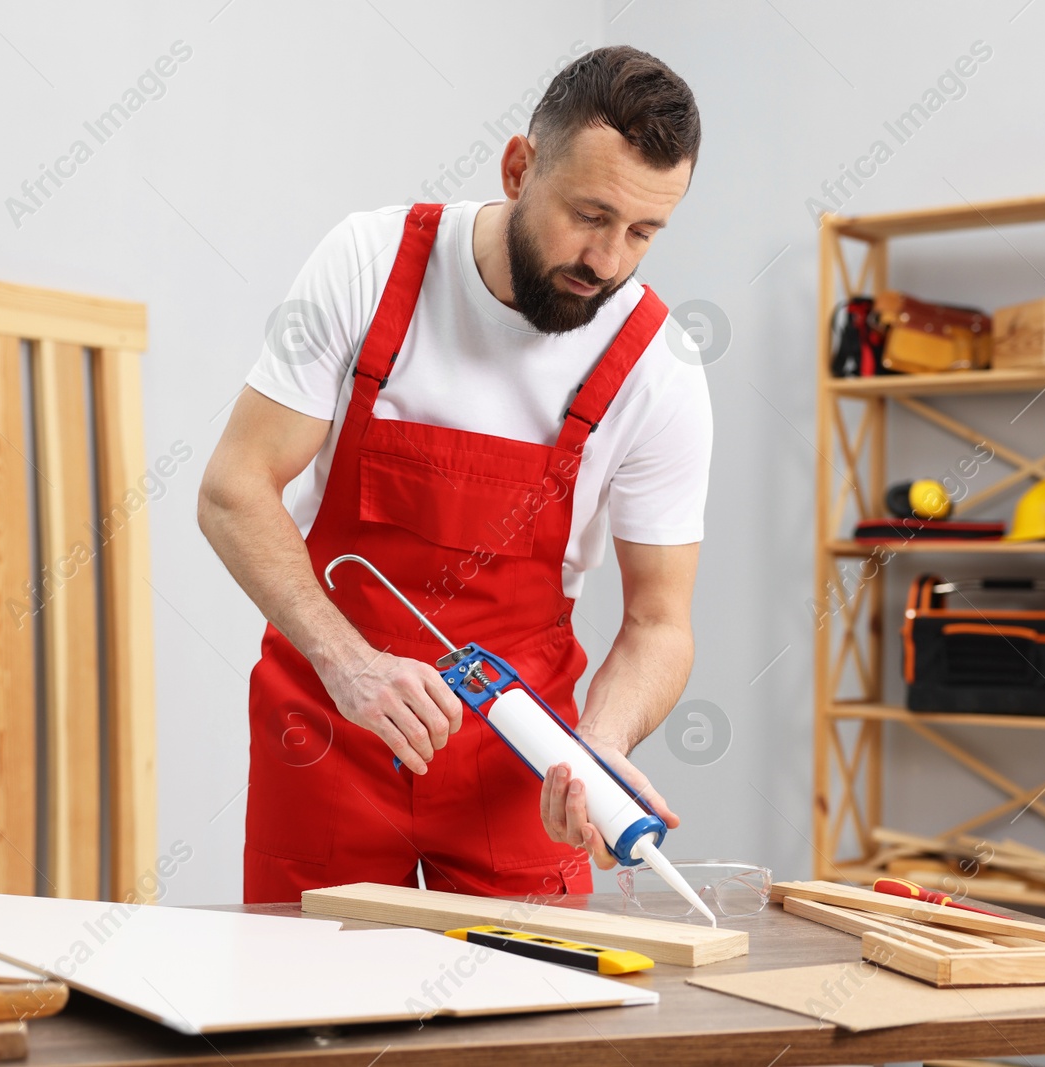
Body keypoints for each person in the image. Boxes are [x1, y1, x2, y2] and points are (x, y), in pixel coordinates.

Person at [199, 44, 712, 904]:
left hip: (519, 767)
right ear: (519, 167)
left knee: (532, 1020)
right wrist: (349, 662)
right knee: (308, 1016)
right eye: (590, 214)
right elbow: (233, 489)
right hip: (330, 730)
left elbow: (661, 621)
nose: (610, 260)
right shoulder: (371, 262)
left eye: (643, 232)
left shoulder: (659, 365)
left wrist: (596, 747)